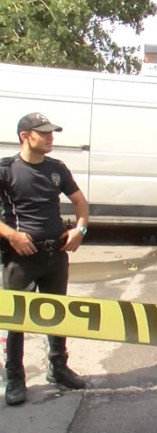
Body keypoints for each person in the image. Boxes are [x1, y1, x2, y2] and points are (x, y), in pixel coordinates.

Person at [0, 113, 90, 405]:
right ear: (25, 135)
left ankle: (58, 367)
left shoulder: (56, 169)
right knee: (18, 319)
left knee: (56, 314)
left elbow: (80, 203)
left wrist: (80, 229)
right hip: (21, 258)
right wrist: (12, 235)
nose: (51, 137)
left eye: (52, 132)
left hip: (55, 255)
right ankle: (14, 377)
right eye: (44, 132)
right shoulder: (6, 170)